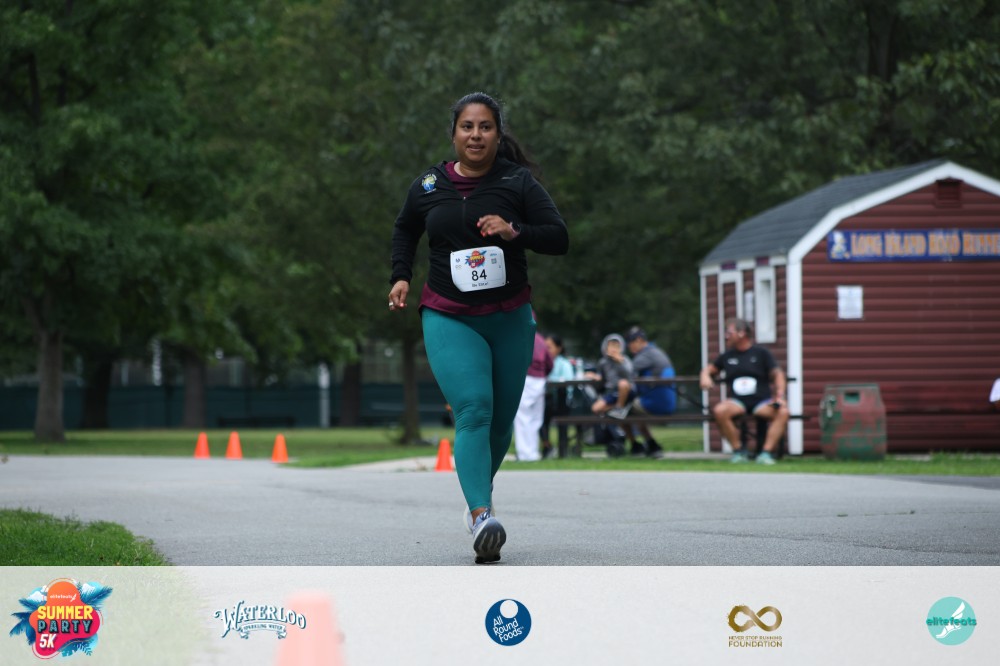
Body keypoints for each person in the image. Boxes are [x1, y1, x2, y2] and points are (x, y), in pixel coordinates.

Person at [388, 92, 568, 564]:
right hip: (449, 313)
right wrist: (401, 275)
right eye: (467, 126)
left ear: (497, 134)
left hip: (509, 316)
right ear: (454, 133)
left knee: (501, 422)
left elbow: (559, 237)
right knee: (473, 410)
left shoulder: (517, 182)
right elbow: (406, 229)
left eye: (485, 127)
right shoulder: (429, 185)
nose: (475, 135)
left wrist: (514, 231)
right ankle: (482, 514)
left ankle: (477, 500)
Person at [699, 318, 789, 465]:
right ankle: (738, 451)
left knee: (783, 411)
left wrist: (780, 395)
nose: (726, 336)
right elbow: (711, 369)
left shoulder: (761, 353)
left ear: (742, 333)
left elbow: (777, 373)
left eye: (729, 333)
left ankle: (765, 453)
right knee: (720, 411)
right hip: (737, 402)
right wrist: (704, 375)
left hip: (762, 401)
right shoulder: (727, 355)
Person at [624, 326, 675, 458]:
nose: (629, 347)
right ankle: (651, 444)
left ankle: (635, 445)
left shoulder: (645, 355)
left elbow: (625, 373)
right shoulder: (656, 351)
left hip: (655, 404)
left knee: (619, 409)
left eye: (630, 343)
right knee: (633, 409)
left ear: (639, 340)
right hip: (667, 403)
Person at [513, 331, 553, 462]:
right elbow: (550, 363)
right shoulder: (541, 339)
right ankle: (533, 453)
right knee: (536, 419)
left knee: (522, 417)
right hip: (540, 380)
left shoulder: (520, 336)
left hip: (526, 378)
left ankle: (524, 454)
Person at [540, 333, 575, 459]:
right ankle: (547, 446)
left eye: (549, 347)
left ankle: (562, 449)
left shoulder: (564, 364)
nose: (546, 350)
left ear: (559, 348)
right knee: (539, 419)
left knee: (561, 416)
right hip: (546, 400)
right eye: (545, 347)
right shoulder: (541, 363)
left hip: (562, 400)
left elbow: (568, 382)